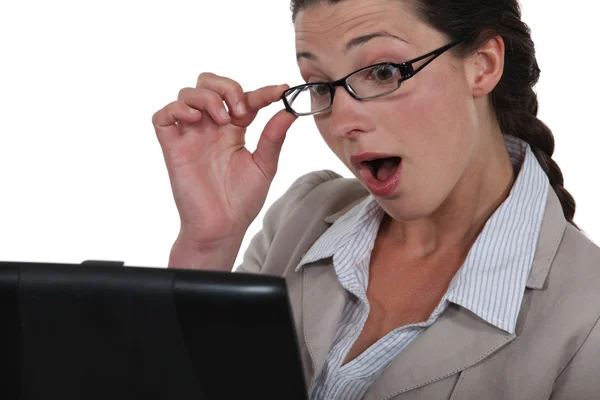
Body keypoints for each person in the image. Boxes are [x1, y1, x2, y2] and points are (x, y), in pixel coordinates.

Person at [151, 0, 600, 398]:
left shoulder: (588, 316)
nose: (343, 120)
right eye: (321, 85)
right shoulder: (301, 215)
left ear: (482, 65)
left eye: (383, 72)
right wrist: (207, 244)